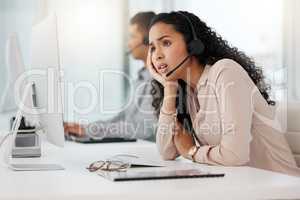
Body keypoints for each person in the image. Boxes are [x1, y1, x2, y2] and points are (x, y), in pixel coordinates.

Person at [148, 11, 300, 176]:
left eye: (166, 43)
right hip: (241, 184)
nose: (157, 55)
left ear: (193, 44)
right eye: (152, 48)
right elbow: (166, 152)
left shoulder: (225, 72)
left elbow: (235, 156)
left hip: (281, 186)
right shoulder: (188, 92)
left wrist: (192, 151)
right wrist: (169, 88)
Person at [64, 11, 157, 141]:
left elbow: (142, 129)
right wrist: (86, 128)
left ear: (147, 39)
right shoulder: (141, 78)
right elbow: (123, 118)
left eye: (132, 36)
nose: (129, 43)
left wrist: (90, 130)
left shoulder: (158, 81)